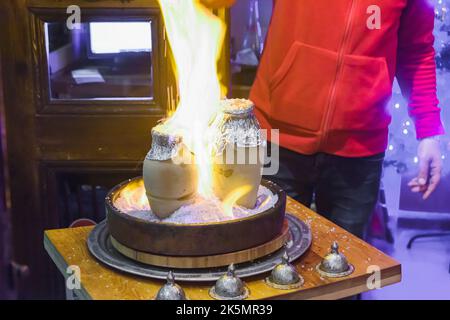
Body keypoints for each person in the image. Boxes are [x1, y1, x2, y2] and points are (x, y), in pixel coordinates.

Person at [202, 0, 445, 238]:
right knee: (261, 254)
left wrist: (429, 131)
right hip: (273, 136)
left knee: (345, 266)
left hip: (360, 152)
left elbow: (416, 51)